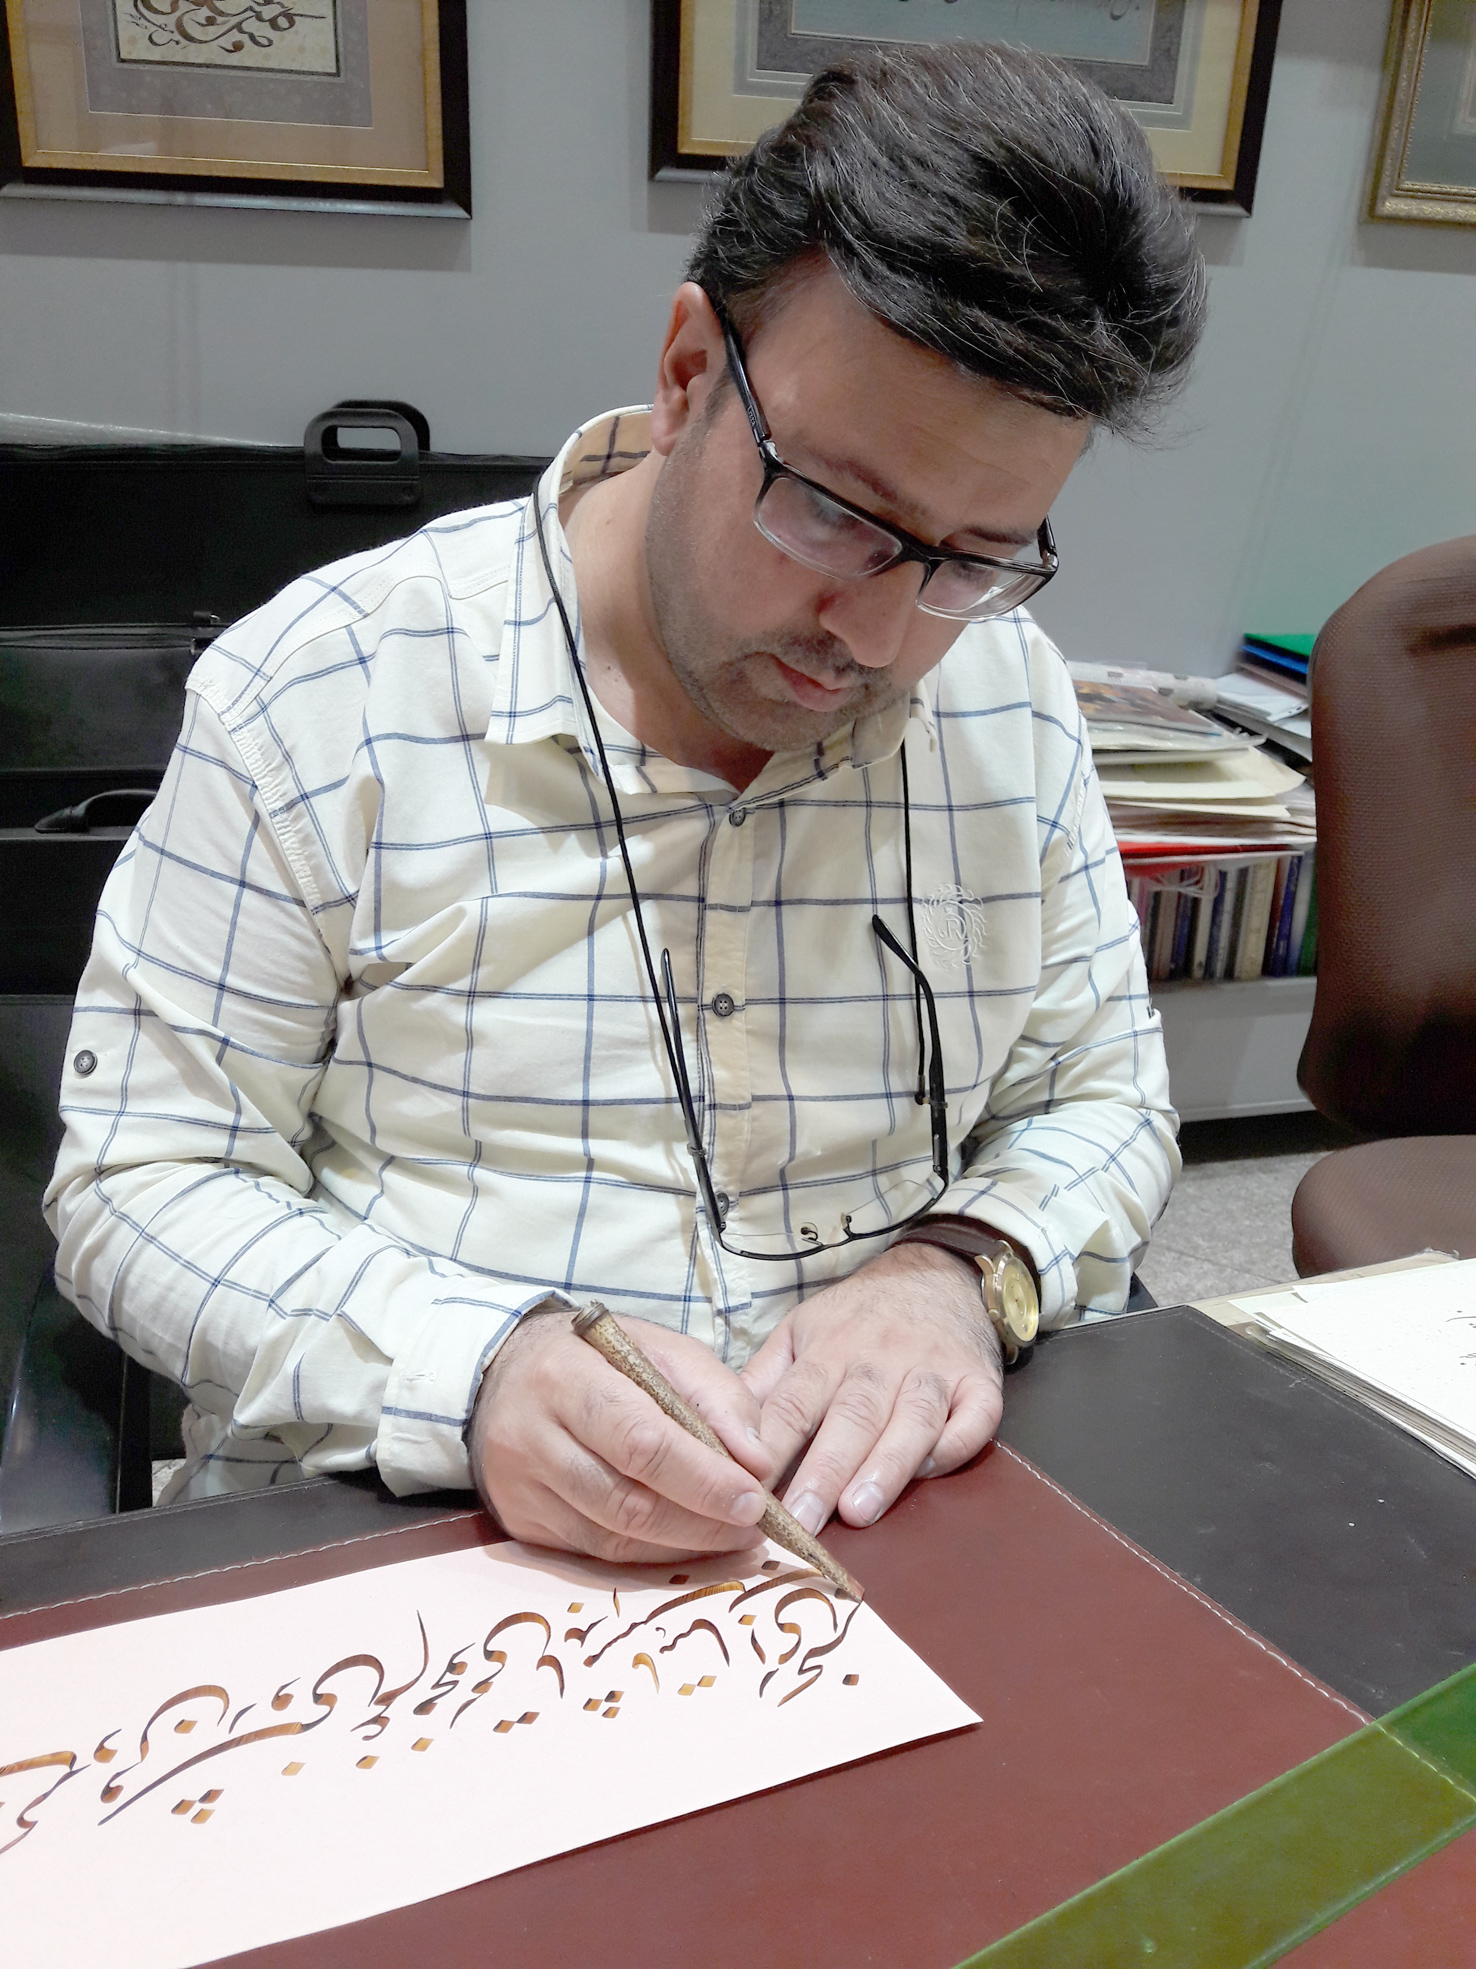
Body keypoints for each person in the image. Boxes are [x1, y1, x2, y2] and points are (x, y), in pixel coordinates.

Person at [47, 42, 1203, 1561]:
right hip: (421, 1534)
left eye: (975, 558)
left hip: (876, 1538)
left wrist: (957, 1267)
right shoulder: (322, 696)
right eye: (837, 513)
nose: (878, 635)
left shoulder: (1009, 699)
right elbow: (137, 1181)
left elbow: (1102, 1099)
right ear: (686, 375)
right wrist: (474, 1368)